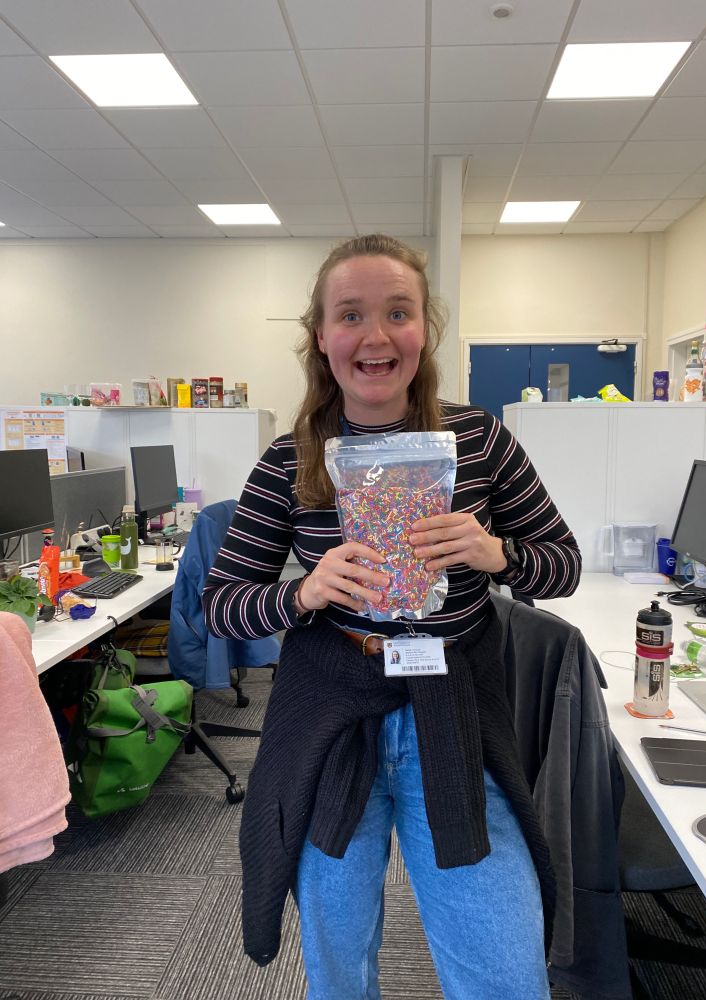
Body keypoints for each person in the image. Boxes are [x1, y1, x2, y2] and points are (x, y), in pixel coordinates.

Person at [203, 233, 581, 1000]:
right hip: (333, 716)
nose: (375, 337)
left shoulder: (478, 440)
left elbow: (563, 565)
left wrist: (495, 552)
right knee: (339, 966)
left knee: (506, 971)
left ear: (425, 329)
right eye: (351, 316)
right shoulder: (290, 459)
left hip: (455, 709)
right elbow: (222, 608)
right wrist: (304, 594)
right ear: (321, 337)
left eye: (398, 313)